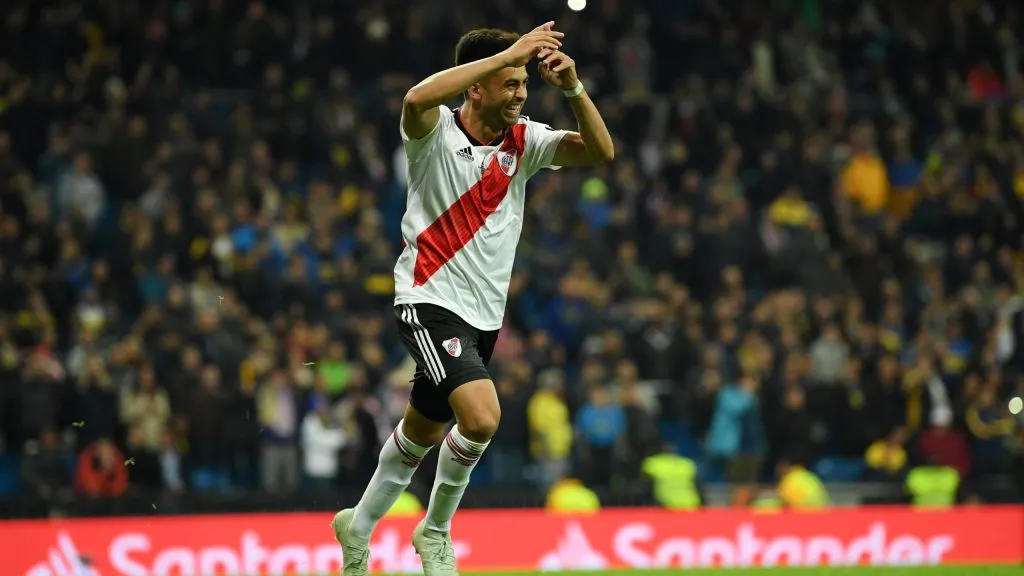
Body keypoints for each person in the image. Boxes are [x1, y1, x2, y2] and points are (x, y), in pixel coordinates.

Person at [330, 21, 614, 576]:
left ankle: (357, 526)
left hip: (484, 316)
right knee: (482, 419)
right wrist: (509, 55)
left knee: (421, 433)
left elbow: (601, 153)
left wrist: (575, 89)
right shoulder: (434, 132)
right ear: (477, 87)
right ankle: (435, 533)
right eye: (510, 84)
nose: (520, 95)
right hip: (427, 299)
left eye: (523, 86)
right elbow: (415, 97)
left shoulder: (525, 141)